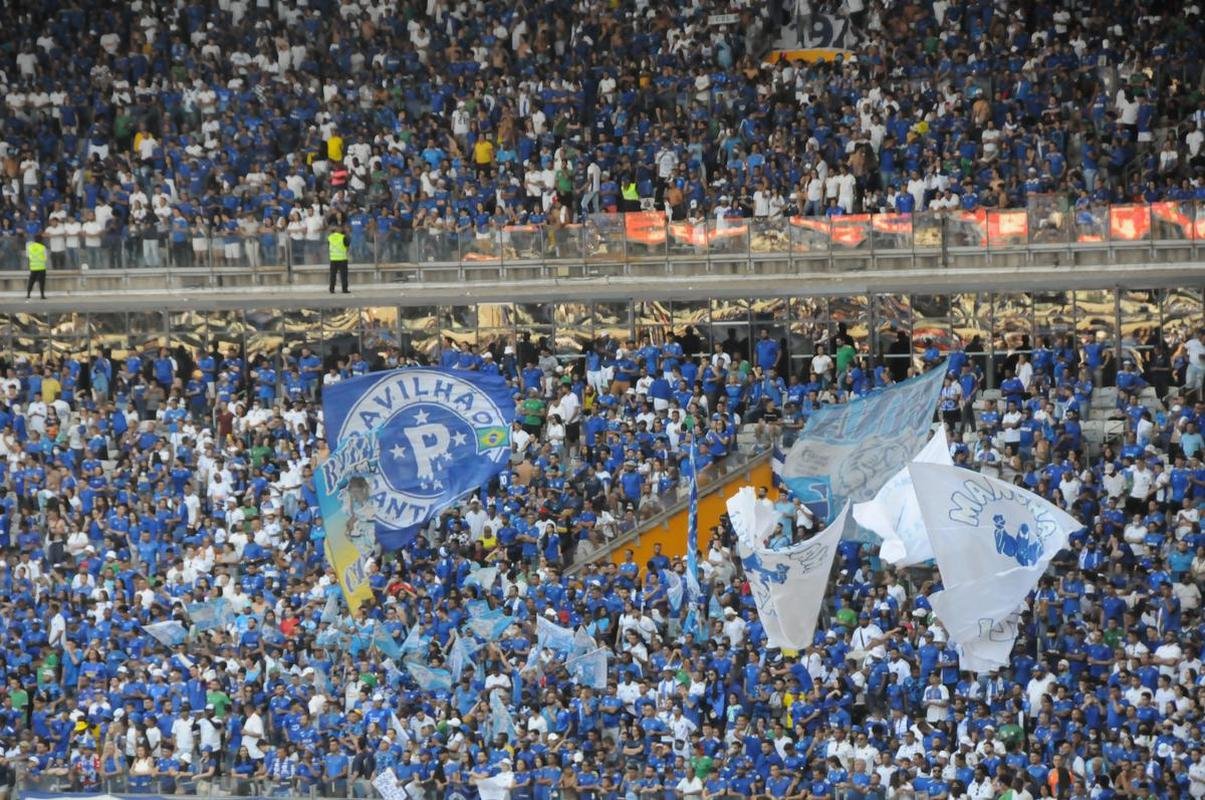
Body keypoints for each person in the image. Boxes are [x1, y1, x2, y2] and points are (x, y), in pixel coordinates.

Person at [328, 225, 350, 294]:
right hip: (342, 258)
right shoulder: (343, 237)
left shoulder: (330, 237)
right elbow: (347, 245)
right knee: (343, 275)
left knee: (332, 275)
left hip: (333, 258)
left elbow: (328, 245)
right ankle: (344, 289)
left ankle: (332, 289)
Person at [26, 233, 47, 299]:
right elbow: (45, 258)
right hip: (41, 267)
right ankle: (42, 295)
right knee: (42, 282)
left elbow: (28, 256)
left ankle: (28, 294)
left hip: (33, 267)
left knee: (31, 281)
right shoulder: (43, 247)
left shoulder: (30, 247)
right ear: (41, 240)